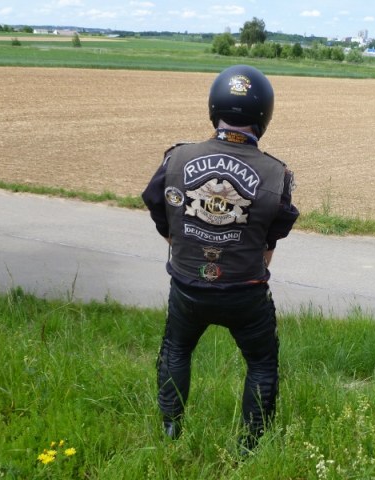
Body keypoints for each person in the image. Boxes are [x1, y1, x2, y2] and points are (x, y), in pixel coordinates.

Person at [141, 64, 299, 451]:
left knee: (176, 349)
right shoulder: (277, 174)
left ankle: (170, 432)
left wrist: (181, 245)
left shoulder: (176, 158)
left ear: (214, 107)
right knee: (261, 363)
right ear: (264, 114)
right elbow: (271, 239)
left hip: (187, 286)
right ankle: (250, 447)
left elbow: (158, 208)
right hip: (246, 292)